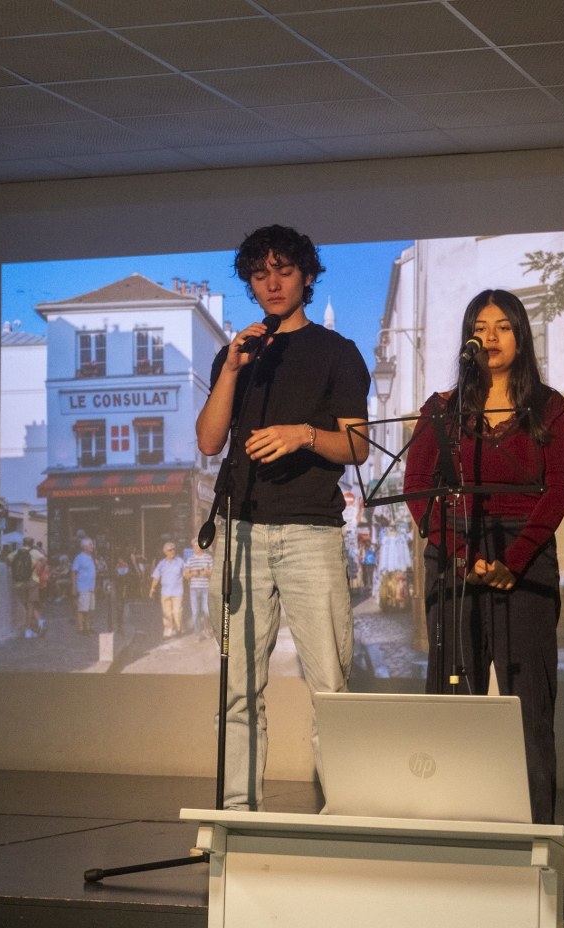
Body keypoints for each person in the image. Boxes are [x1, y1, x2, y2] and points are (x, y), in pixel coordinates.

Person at [195, 224, 369, 811]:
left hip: (311, 531)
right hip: (239, 532)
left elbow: (358, 445)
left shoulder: (337, 352)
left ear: (307, 276)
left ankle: (342, 813)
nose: (271, 284)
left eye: (284, 271)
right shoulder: (239, 354)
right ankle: (236, 815)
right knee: (237, 690)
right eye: (259, 274)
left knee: (331, 686)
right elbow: (209, 441)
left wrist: (303, 435)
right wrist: (230, 370)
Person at [403, 289, 564, 824]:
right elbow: (416, 487)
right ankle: (453, 831)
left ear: (521, 336)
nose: (491, 337)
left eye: (503, 326)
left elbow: (559, 488)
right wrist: (462, 556)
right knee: (454, 705)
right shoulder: (442, 410)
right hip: (455, 554)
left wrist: (513, 561)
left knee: (530, 708)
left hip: (524, 559)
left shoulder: (549, 406)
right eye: (480, 328)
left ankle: (536, 837)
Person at [149, 541, 186, 638]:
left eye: (173, 549)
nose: (172, 551)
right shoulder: (161, 564)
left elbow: (186, 573)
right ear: (165, 552)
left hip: (177, 591)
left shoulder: (180, 562)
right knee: (167, 613)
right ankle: (168, 632)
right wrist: (152, 588)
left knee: (177, 612)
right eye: (170, 550)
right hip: (165, 592)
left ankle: (178, 629)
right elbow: (156, 577)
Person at [184, 544, 213, 637]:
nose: (196, 548)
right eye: (194, 546)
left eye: (198, 546)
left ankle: (207, 629)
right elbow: (186, 575)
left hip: (206, 588)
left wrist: (206, 572)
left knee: (207, 611)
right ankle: (198, 633)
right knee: (195, 612)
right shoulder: (190, 559)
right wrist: (192, 574)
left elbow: (213, 572)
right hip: (194, 588)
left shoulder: (208, 558)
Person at [71, 538, 97, 635]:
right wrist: (74, 587)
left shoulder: (91, 557)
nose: (92, 546)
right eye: (90, 544)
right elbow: (74, 572)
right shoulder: (79, 558)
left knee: (90, 609)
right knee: (82, 609)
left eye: (92, 544)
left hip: (91, 587)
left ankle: (88, 627)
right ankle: (81, 629)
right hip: (83, 587)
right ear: (84, 547)